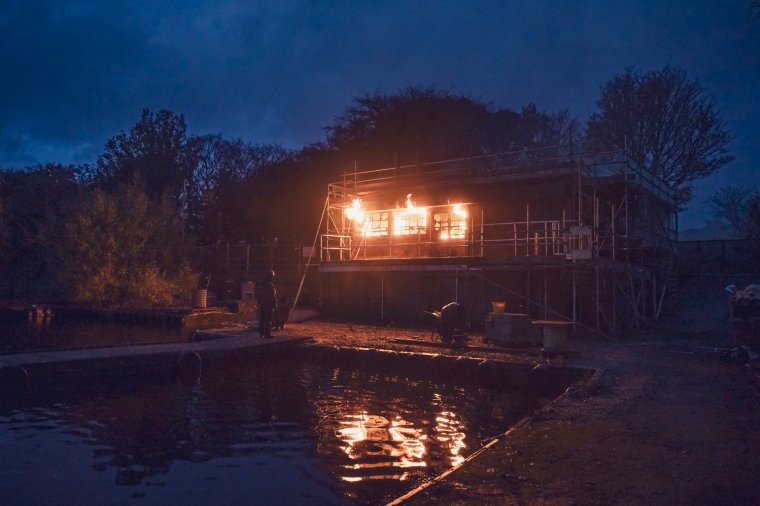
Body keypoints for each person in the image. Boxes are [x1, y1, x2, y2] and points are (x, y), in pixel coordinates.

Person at [256, 270, 277, 338]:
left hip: (262, 305)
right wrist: (274, 304)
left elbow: (259, 295)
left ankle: (261, 333)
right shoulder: (270, 286)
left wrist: (259, 303)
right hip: (268, 305)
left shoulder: (262, 286)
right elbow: (272, 296)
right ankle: (267, 334)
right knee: (268, 320)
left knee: (262, 320)